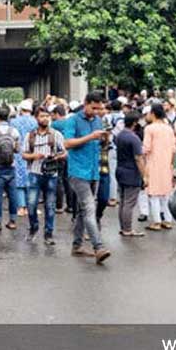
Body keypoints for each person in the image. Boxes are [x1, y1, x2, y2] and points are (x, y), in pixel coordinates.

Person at [64, 92, 111, 263]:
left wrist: (104, 140)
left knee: (84, 211)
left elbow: (100, 144)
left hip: (94, 172)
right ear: (86, 104)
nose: (97, 111)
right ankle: (98, 247)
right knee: (90, 208)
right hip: (77, 172)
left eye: (100, 108)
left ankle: (77, 245)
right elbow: (67, 143)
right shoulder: (73, 120)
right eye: (94, 108)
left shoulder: (98, 121)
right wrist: (91, 136)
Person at [21, 107, 65, 244]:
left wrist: (56, 157)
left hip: (51, 174)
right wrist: (34, 156)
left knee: (50, 205)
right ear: (36, 118)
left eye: (47, 116)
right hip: (34, 173)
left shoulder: (56, 135)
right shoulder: (30, 136)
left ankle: (48, 233)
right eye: (42, 116)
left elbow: (64, 152)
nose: (45, 118)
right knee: (31, 204)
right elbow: (23, 154)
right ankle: (33, 227)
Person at [143, 103, 176, 232]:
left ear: (152, 113)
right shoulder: (169, 128)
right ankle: (168, 220)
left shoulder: (149, 129)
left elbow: (146, 148)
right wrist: (171, 164)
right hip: (167, 163)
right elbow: (174, 149)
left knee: (153, 194)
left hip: (153, 163)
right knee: (166, 194)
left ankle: (156, 221)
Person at [115, 111, 146, 237]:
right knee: (129, 203)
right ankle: (127, 229)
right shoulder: (134, 138)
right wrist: (145, 176)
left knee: (123, 201)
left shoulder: (120, 135)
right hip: (132, 172)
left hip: (121, 170)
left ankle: (123, 227)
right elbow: (139, 158)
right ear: (135, 123)